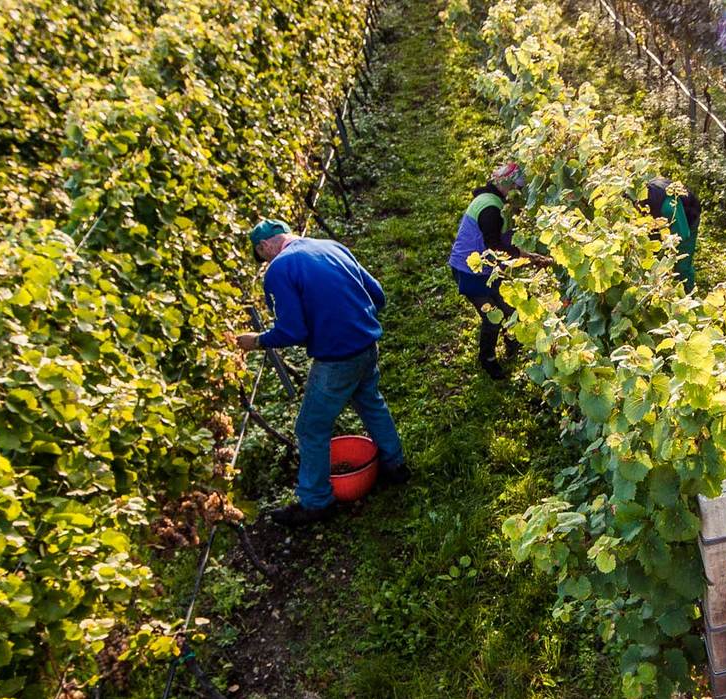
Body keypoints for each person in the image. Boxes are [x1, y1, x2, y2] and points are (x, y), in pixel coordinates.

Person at [235, 219, 410, 527]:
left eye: (262, 257)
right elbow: (378, 295)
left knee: (310, 428)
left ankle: (316, 501)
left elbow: (292, 330)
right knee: (370, 400)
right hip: (367, 344)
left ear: (264, 247)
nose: (266, 262)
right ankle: (395, 465)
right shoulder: (331, 247)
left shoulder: (279, 269)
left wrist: (257, 341)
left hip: (337, 359)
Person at [450, 162, 549, 380]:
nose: (520, 193)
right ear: (507, 186)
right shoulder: (490, 209)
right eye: (518, 188)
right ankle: (487, 360)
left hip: (488, 269)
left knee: (508, 307)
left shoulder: (496, 201)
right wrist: (528, 256)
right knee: (491, 316)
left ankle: (511, 340)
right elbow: (496, 246)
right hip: (468, 271)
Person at [638, 176, 702, 291]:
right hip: (662, 219)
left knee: (681, 266)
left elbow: (682, 235)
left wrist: (665, 257)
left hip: (687, 220)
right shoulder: (639, 198)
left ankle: (688, 293)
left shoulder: (668, 207)